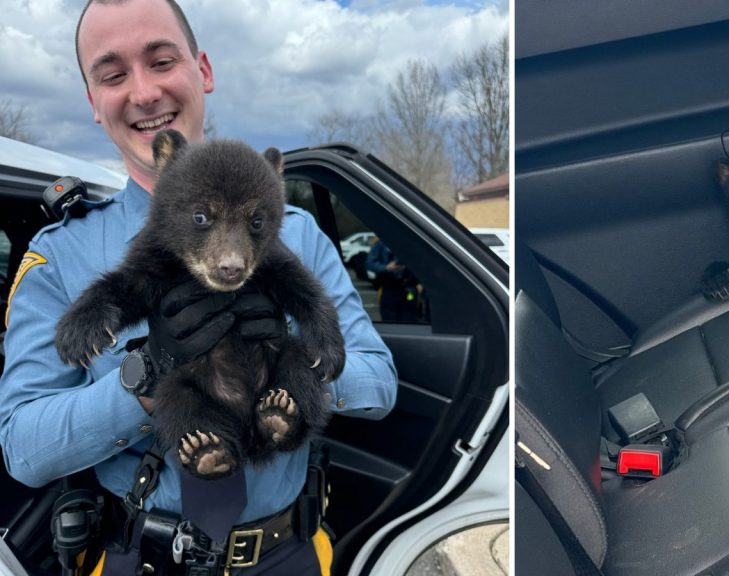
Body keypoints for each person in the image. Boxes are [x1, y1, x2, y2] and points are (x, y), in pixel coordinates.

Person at [0, 0, 397, 573]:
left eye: (161, 61)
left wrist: (296, 359)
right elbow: (23, 447)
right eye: (113, 75)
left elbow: (377, 383)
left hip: (286, 553)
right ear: (92, 100)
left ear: (202, 69)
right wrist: (141, 383)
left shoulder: (299, 236)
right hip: (140, 555)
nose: (143, 93)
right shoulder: (62, 254)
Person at [365, 239, 422, 323]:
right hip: (389, 288)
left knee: (410, 324)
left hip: (409, 287)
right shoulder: (383, 243)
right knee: (390, 323)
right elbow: (369, 263)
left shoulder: (414, 241)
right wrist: (386, 267)